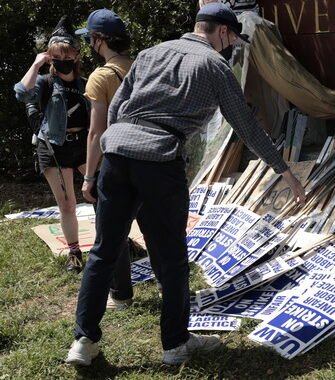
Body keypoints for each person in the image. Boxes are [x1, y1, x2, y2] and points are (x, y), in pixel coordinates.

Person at [65, 2, 306, 366]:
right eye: (232, 40)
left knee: (104, 251)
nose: (231, 47)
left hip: (116, 154)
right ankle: (175, 345)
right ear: (222, 32)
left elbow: (115, 110)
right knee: (173, 258)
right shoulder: (214, 65)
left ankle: (83, 342)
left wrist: (105, 156)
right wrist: (283, 169)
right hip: (160, 161)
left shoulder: (149, 53)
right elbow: (244, 122)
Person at [78, 9, 150, 311]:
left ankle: (121, 294)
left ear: (100, 41)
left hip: (116, 161)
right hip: (149, 157)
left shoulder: (101, 76)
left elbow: (96, 132)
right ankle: (166, 283)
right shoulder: (143, 67)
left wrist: (89, 176)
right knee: (153, 226)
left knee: (112, 233)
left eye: (91, 39)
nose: (90, 45)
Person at [14, 16, 91, 273]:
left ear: (77, 56)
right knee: (67, 203)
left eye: (68, 56)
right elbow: (21, 93)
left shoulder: (84, 83)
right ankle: (74, 252)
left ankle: (118, 241)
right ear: (51, 57)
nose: (64, 61)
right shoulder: (45, 82)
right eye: (58, 56)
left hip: (83, 144)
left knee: (103, 194)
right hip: (54, 146)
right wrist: (37, 63)